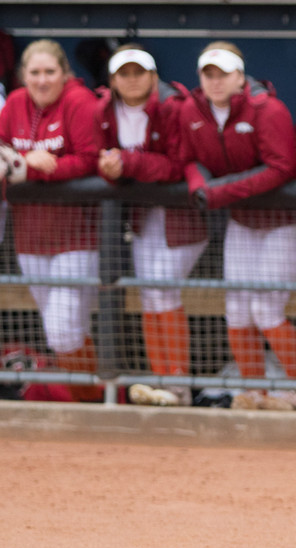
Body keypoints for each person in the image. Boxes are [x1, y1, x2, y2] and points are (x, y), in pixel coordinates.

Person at [178, 41, 296, 411]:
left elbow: (281, 167)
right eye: (209, 74)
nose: (216, 81)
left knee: (267, 309)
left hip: (282, 223)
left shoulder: (266, 108)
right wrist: (198, 186)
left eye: (224, 73)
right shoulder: (192, 109)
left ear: (240, 76)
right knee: (237, 309)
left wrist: (218, 192)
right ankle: (255, 391)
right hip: (242, 220)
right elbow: (186, 159)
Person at [94, 44, 206, 407]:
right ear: (112, 81)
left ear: (153, 77)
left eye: (139, 73)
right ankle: (161, 381)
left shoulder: (173, 106)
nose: (132, 80)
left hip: (181, 218)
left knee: (163, 292)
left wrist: (128, 163)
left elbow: (177, 165)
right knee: (148, 294)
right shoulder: (104, 111)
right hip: (143, 217)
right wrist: (109, 167)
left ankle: (177, 384)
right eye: (123, 74)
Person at [0, 39, 103, 402]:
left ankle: (88, 403)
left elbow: (90, 159)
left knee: (62, 330)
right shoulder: (14, 103)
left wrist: (48, 167)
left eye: (50, 72)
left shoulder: (79, 101)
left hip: (77, 236)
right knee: (64, 327)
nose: (42, 80)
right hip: (30, 237)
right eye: (34, 73)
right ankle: (95, 397)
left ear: (64, 73)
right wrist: (25, 161)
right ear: (22, 76)